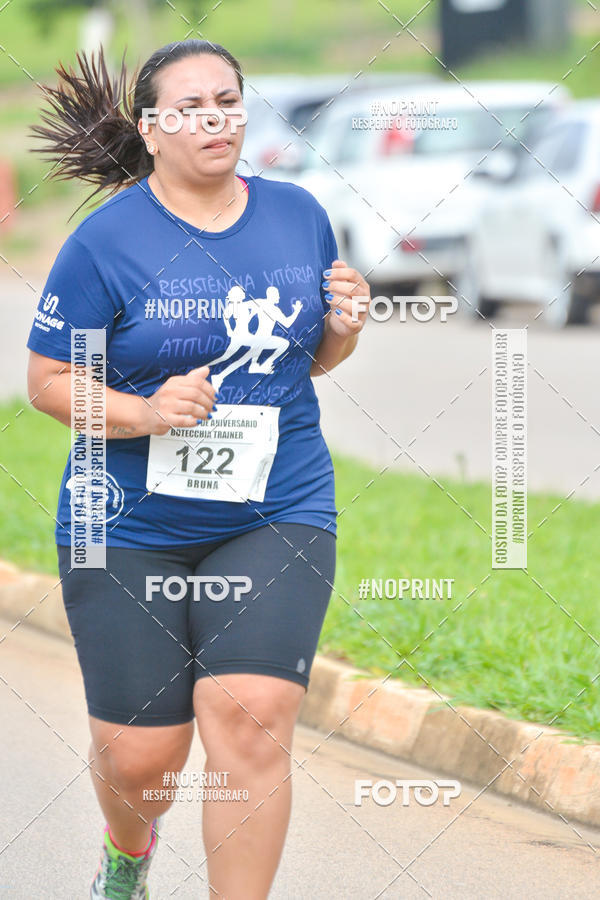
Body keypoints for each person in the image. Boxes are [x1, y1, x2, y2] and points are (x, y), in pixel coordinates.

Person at [26, 39, 371, 899]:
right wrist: (145, 412)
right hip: (125, 519)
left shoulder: (297, 215)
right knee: (144, 759)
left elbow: (305, 362)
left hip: (275, 506)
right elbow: (50, 382)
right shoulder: (104, 243)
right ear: (151, 129)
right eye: (190, 107)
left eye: (228, 101)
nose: (215, 119)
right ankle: (127, 853)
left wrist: (343, 330)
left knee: (251, 719)